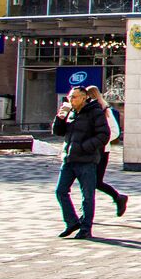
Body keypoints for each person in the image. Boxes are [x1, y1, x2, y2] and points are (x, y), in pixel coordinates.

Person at [52, 86, 111, 239]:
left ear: (84, 98)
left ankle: (86, 228)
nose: (71, 100)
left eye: (74, 97)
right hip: (69, 160)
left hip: (86, 160)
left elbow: (104, 135)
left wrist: (85, 147)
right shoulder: (70, 112)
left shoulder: (95, 112)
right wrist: (60, 118)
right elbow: (58, 132)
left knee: (87, 196)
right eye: (69, 97)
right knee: (60, 191)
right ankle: (72, 222)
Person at [84, 86, 129, 218]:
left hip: (101, 151)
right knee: (88, 182)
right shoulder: (85, 111)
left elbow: (114, 132)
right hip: (88, 151)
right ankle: (86, 210)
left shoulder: (104, 110)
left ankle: (118, 197)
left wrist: (98, 140)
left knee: (96, 182)